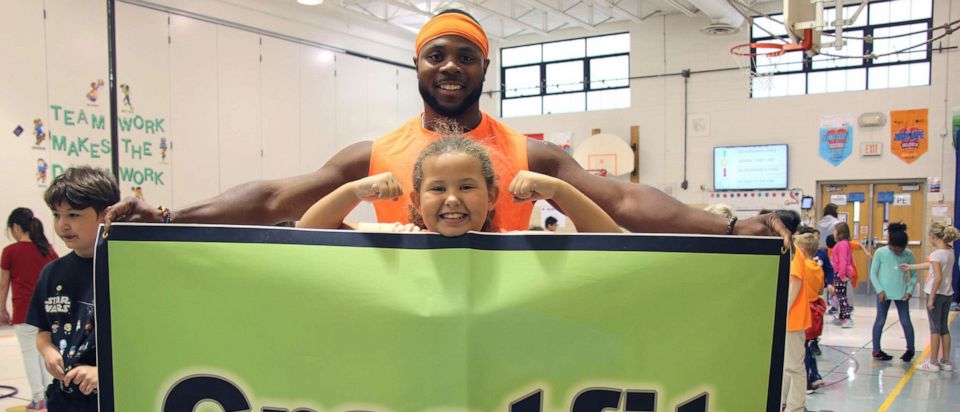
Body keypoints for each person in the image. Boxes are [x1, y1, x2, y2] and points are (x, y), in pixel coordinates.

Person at [103, 10, 790, 244]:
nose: (452, 65)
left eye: (466, 55)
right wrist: (169, 218)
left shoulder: (532, 152)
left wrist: (730, 226)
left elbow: (627, 203)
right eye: (439, 54)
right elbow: (281, 200)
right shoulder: (376, 153)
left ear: (485, 66)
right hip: (401, 330)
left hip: (501, 329)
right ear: (418, 65)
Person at [26, 167, 120, 412]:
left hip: (111, 407)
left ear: (105, 215)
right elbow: (43, 330)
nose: (63, 225)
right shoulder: (53, 273)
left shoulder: (126, 267)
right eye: (57, 215)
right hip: (65, 406)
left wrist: (104, 373)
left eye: (74, 215)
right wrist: (48, 352)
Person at [297, 135, 621, 235]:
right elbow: (308, 231)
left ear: (492, 197)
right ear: (416, 198)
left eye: (467, 187)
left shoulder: (514, 245)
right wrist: (351, 191)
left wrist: (561, 191)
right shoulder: (398, 239)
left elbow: (613, 244)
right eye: (437, 189)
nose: (452, 199)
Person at [0, 207, 59, 412]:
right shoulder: (47, 250)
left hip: (24, 313)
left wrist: (1, 310)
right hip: (48, 313)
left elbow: (4, 284)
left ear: (16, 227)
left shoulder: (10, 252)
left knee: (30, 355)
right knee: (47, 353)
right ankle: (51, 395)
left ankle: (38, 398)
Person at [902, 223, 959, 371]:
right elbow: (933, 267)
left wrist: (932, 297)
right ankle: (946, 361)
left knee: (934, 329)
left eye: (929, 237)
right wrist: (911, 267)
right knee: (944, 328)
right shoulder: (950, 251)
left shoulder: (936, 254)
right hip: (948, 294)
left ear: (934, 237)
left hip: (936, 293)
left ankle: (933, 362)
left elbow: (937, 277)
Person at [781, 232, 819, 412]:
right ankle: (789, 403)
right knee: (789, 364)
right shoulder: (798, 258)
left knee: (794, 366)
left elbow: (795, 283)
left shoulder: (795, 257)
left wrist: (783, 310)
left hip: (793, 319)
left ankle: (797, 409)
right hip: (793, 320)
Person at [869, 223, 916, 362]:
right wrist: (879, 290)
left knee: (906, 321)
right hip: (884, 294)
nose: (899, 252)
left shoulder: (909, 254)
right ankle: (876, 350)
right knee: (880, 321)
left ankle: (911, 349)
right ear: (891, 244)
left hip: (902, 294)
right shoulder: (881, 253)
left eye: (901, 250)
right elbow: (873, 273)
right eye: (896, 249)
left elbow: (913, 274)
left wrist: (910, 290)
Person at [796, 232, 826, 395]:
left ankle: (806, 383)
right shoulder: (817, 268)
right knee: (808, 346)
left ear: (803, 250)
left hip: (804, 310)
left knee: (801, 349)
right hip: (816, 311)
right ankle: (815, 376)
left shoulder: (802, 266)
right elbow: (821, 289)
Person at [830, 222, 856, 327]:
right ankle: (842, 316)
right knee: (841, 295)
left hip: (841, 273)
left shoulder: (841, 245)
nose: (833, 232)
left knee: (841, 296)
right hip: (842, 273)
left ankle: (846, 318)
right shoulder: (845, 244)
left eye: (834, 230)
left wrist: (841, 275)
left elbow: (843, 261)